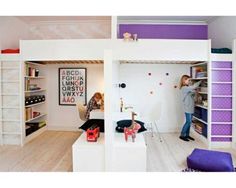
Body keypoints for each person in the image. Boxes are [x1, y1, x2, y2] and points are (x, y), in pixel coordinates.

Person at [179, 75, 201, 142]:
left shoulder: (188, 88)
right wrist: (200, 80)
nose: (189, 81)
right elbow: (194, 87)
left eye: (190, 80)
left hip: (191, 107)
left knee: (189, 122)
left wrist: (195, 93)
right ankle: (182, 135)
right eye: (188, 80)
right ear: (184, 80)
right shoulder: (184, 88)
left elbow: (193, 96)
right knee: (188, 122)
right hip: (187, 107)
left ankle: (187, 135)